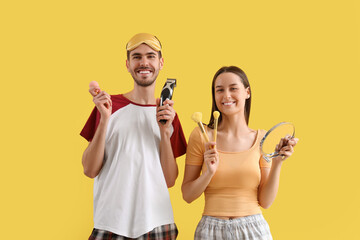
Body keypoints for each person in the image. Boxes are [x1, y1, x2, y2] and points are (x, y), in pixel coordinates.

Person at [80, 33, 187, 240]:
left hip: (157, 222)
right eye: (137, 57)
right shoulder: (108, 106)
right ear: (127, 64)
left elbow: (170, 180)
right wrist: (104, 119)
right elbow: (89, 169)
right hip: (110, 222)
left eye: (150, 56)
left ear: (161, 62)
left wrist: (165, 133)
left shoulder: (168, 115)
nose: (144, 62)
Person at [182, 66, 298, 240]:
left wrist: (277, 162)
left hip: (253, 229)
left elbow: (265, 202)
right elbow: (187, 195)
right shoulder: (202, 136)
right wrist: (208, 173)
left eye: (233, 88)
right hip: (210, 230)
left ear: (247, 92)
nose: (226, 95)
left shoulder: (261, 138)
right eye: (219, 90)